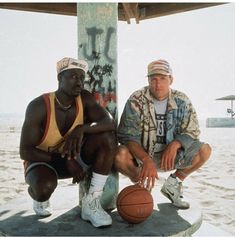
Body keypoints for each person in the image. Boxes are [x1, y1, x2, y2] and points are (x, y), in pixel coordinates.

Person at [20, 57, 117, 227]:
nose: (79, 82)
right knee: (44, 188)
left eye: (81, 77)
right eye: (73, 77)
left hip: (74, 159)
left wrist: (81, 129)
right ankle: (37, 196)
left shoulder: (84, 98)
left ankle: (92, 202)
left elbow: (108, 122)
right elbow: (25, 151)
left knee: (107, 138)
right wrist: (65, 159)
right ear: (59, 78)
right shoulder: (39, 106)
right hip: (43, 161)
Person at [115, 59, 211, 209]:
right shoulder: (137, 99)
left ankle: (172, 185)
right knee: (119, 155)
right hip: (142, 156)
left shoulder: (182, 100)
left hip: (170, 156)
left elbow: (193, 131)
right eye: (153, 79)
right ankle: (142, 182)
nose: (158, 84)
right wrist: (146, 159)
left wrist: (175, 144)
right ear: (148, 80)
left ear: (171, 79)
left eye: (162, 79)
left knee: (204, 150)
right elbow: (127, 135)